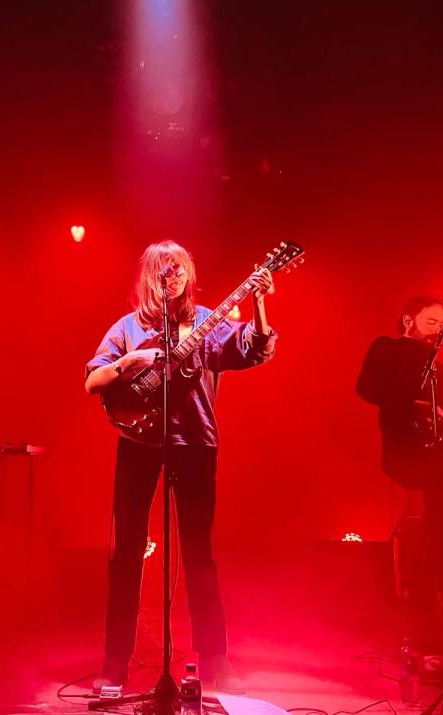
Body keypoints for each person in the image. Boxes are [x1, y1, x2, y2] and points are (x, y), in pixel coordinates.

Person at [85, 240, 277, 693]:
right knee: (126, 551)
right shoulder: (128, 328)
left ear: (190, 275)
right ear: (150, 277)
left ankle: (215, 658)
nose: (173, 276)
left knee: (199, 556)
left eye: (180, 269)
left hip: (194, 443)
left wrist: (260, 302)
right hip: (138, 442)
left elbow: (253, 351)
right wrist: (132, 359)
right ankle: (115, 662)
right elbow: (93, 380)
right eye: (163, 270)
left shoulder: (208, 324)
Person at [356, 296, 443, 661]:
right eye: (431, 322)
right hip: (411, 457)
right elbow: (366, 388)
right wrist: (407, 406)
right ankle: (419, 637)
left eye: (442, 324)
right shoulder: (388, 348)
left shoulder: (440, 369)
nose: (438, 331)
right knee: (429, 546)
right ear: (407, 320)